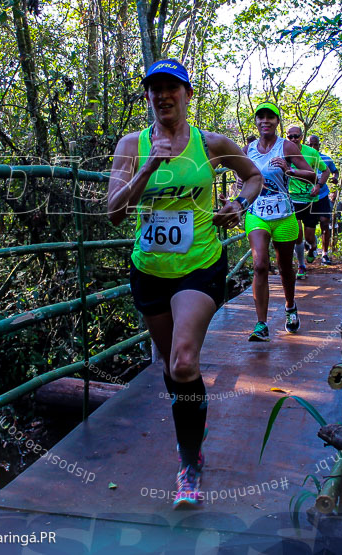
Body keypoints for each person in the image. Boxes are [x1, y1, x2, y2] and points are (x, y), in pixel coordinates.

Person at [107, 59, 263, 509]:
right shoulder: (131, 145)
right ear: (149, 97)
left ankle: (189, 464)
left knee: (182, 361)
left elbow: (253, 176)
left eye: (171, 87)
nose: (162, 95)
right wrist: (146, 169)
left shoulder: (210, 143)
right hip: (151, 271)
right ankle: (192, 422)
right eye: (154, 88)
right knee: (175, 372)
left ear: (187, 94)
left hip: (200, 265)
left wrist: (237, 204)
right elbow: (115, 211)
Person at [243, 101, 315, 342]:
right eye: (261, 117)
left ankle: (290, 306)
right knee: (260, 264)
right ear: (256, 121)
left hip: (284, 214)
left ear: (277, 121)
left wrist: (289, 170)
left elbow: (312, 176)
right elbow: (241, 179)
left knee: (285, 268)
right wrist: (235, 199)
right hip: (257, 215)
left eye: (270, 117)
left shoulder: (287, 146)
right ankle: (261, 325)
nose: (265, 121)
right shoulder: (248, 150)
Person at [285, 126, 323, 279]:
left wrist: (318, 185)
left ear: (301, 136)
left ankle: (313, 246)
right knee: (297, 235)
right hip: (293, 198)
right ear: (287, 137)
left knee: (308, 237)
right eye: (290, 137)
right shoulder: (283, 152)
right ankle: (301, 265)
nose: (294, 139)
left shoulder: (312, 153)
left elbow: (325, 170)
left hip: (310, 199)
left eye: (296, 136)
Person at [307, 135, 339, 265]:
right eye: (311, 144)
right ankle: (312, 245)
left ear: (319, 145)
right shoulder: (302, 158)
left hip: (322, 195)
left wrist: (335, 178)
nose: (313, 147)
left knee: (325, 222)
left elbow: (335, 171)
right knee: (309, 228)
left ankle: (325, 254)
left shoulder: (325, 158)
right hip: (307, 197)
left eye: (315, 144)